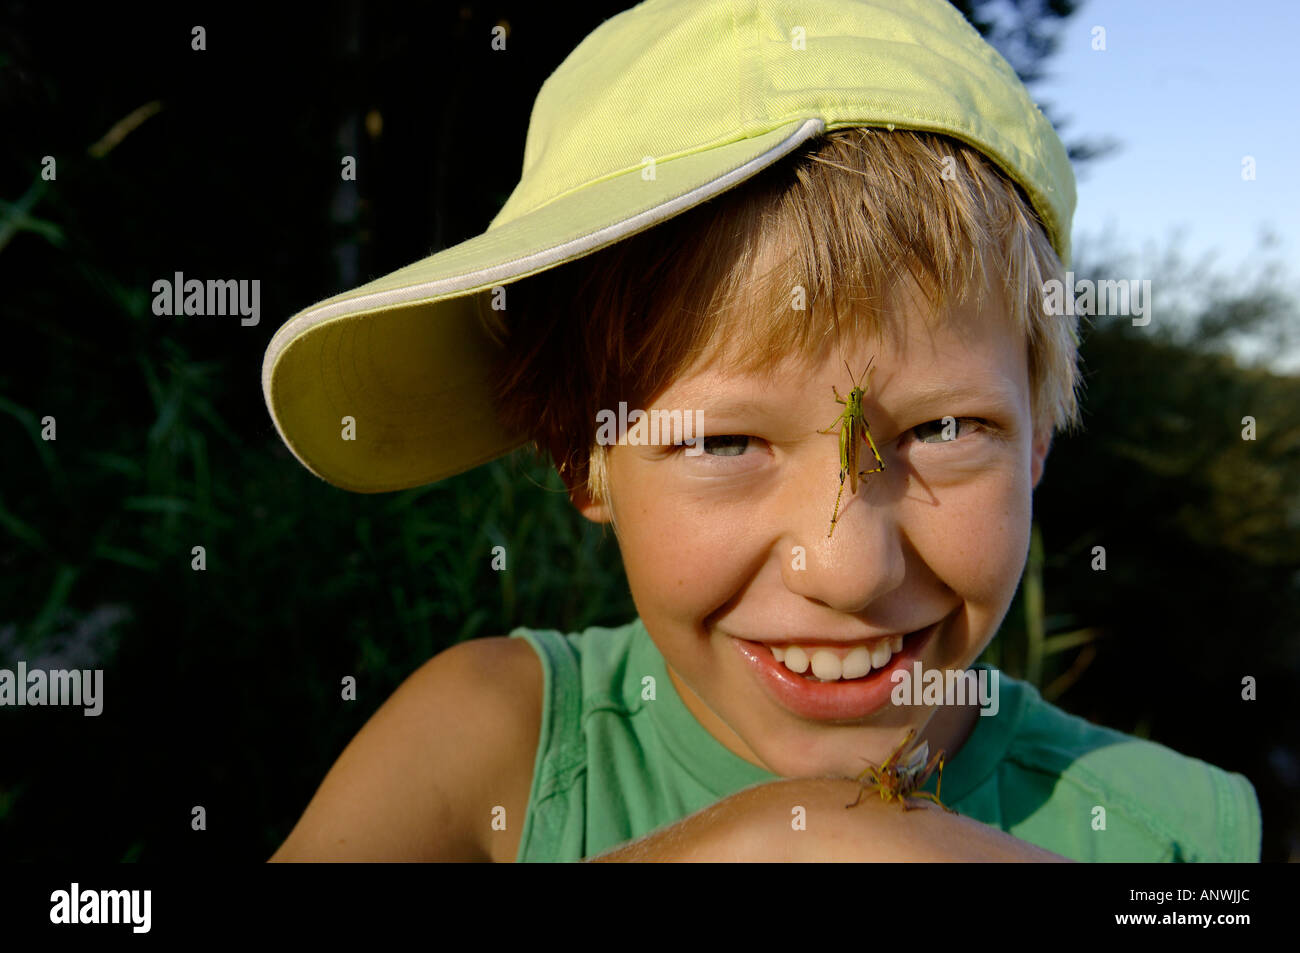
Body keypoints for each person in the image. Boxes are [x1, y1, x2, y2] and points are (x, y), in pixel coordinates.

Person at [263, 0, 1261, 862]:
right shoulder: (490, 735)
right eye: (723, 443)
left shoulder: (1180, 829)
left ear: (1037, 440)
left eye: (947, 426)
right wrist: (756, 838)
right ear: (583, 457)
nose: (847, 566)